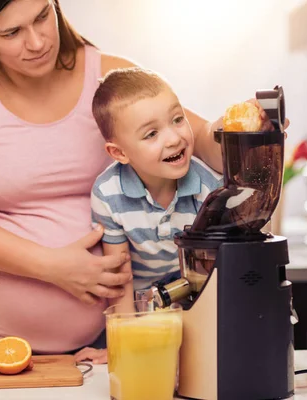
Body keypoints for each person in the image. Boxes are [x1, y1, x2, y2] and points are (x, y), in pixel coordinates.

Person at [0, 0, 282, 356]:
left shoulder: (110, 78)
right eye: (12, 32)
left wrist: (244, 129)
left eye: (43, 16)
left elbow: (200, 142)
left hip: (106, 344)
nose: (38, 41)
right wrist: (52, 266)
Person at [73, 67, 224, 364]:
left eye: (177, 119)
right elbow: (120, 275)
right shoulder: (108, 194)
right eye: (152, 133)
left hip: (199, 316)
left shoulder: (210, 189)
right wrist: (123, 347)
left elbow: (215, 275)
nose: (173, 139)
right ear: (119, 153)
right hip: (143, 321)